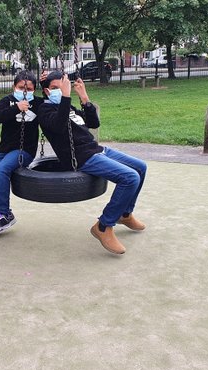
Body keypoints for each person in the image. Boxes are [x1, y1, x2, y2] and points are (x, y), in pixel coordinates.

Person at [38, 71, 147, 254]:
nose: (60, 91)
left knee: (140, 167)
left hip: (96, 150)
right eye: (55, 88)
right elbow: (58, 126)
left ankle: (125, 214)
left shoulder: (70, 108)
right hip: (80, 158)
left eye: (62, 87)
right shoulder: (44, 110)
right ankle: (103, 226)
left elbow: (94, 123)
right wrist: (65, 96)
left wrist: (84, 98)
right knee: (130, 178)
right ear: (47, 92)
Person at [0, 71, 43, 233]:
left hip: (25, 151)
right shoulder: (7, 101)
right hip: (4, 151)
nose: (25, 91)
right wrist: (16, 108)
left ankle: (2, 214)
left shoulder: (37, 103)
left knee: (2, 170)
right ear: (14, 87)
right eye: (21, 87)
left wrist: (46, 84)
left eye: (29, 88)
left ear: (34, 90)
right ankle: (6, 214)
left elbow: (54, 105)